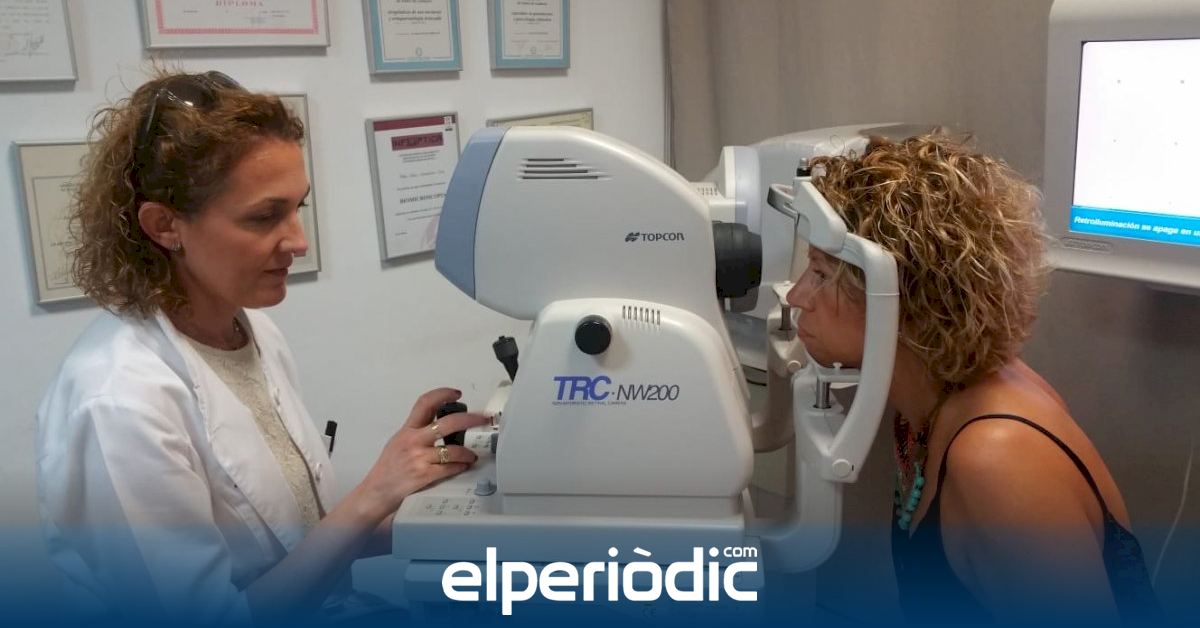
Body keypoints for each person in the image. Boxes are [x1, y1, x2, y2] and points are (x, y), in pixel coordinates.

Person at [36, 69, 490, 624]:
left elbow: (297, 547)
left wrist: (455, 512)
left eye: (299, 207)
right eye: (264, 216)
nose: (298, 241)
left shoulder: (248, 331)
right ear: (164, 225)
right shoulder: (118, 404)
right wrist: (373, 493)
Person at [785, 135, 1161, 623]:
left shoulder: (996, 460)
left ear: (902, 296)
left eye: (819, 274)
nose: (796, 296)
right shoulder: (926, 403)